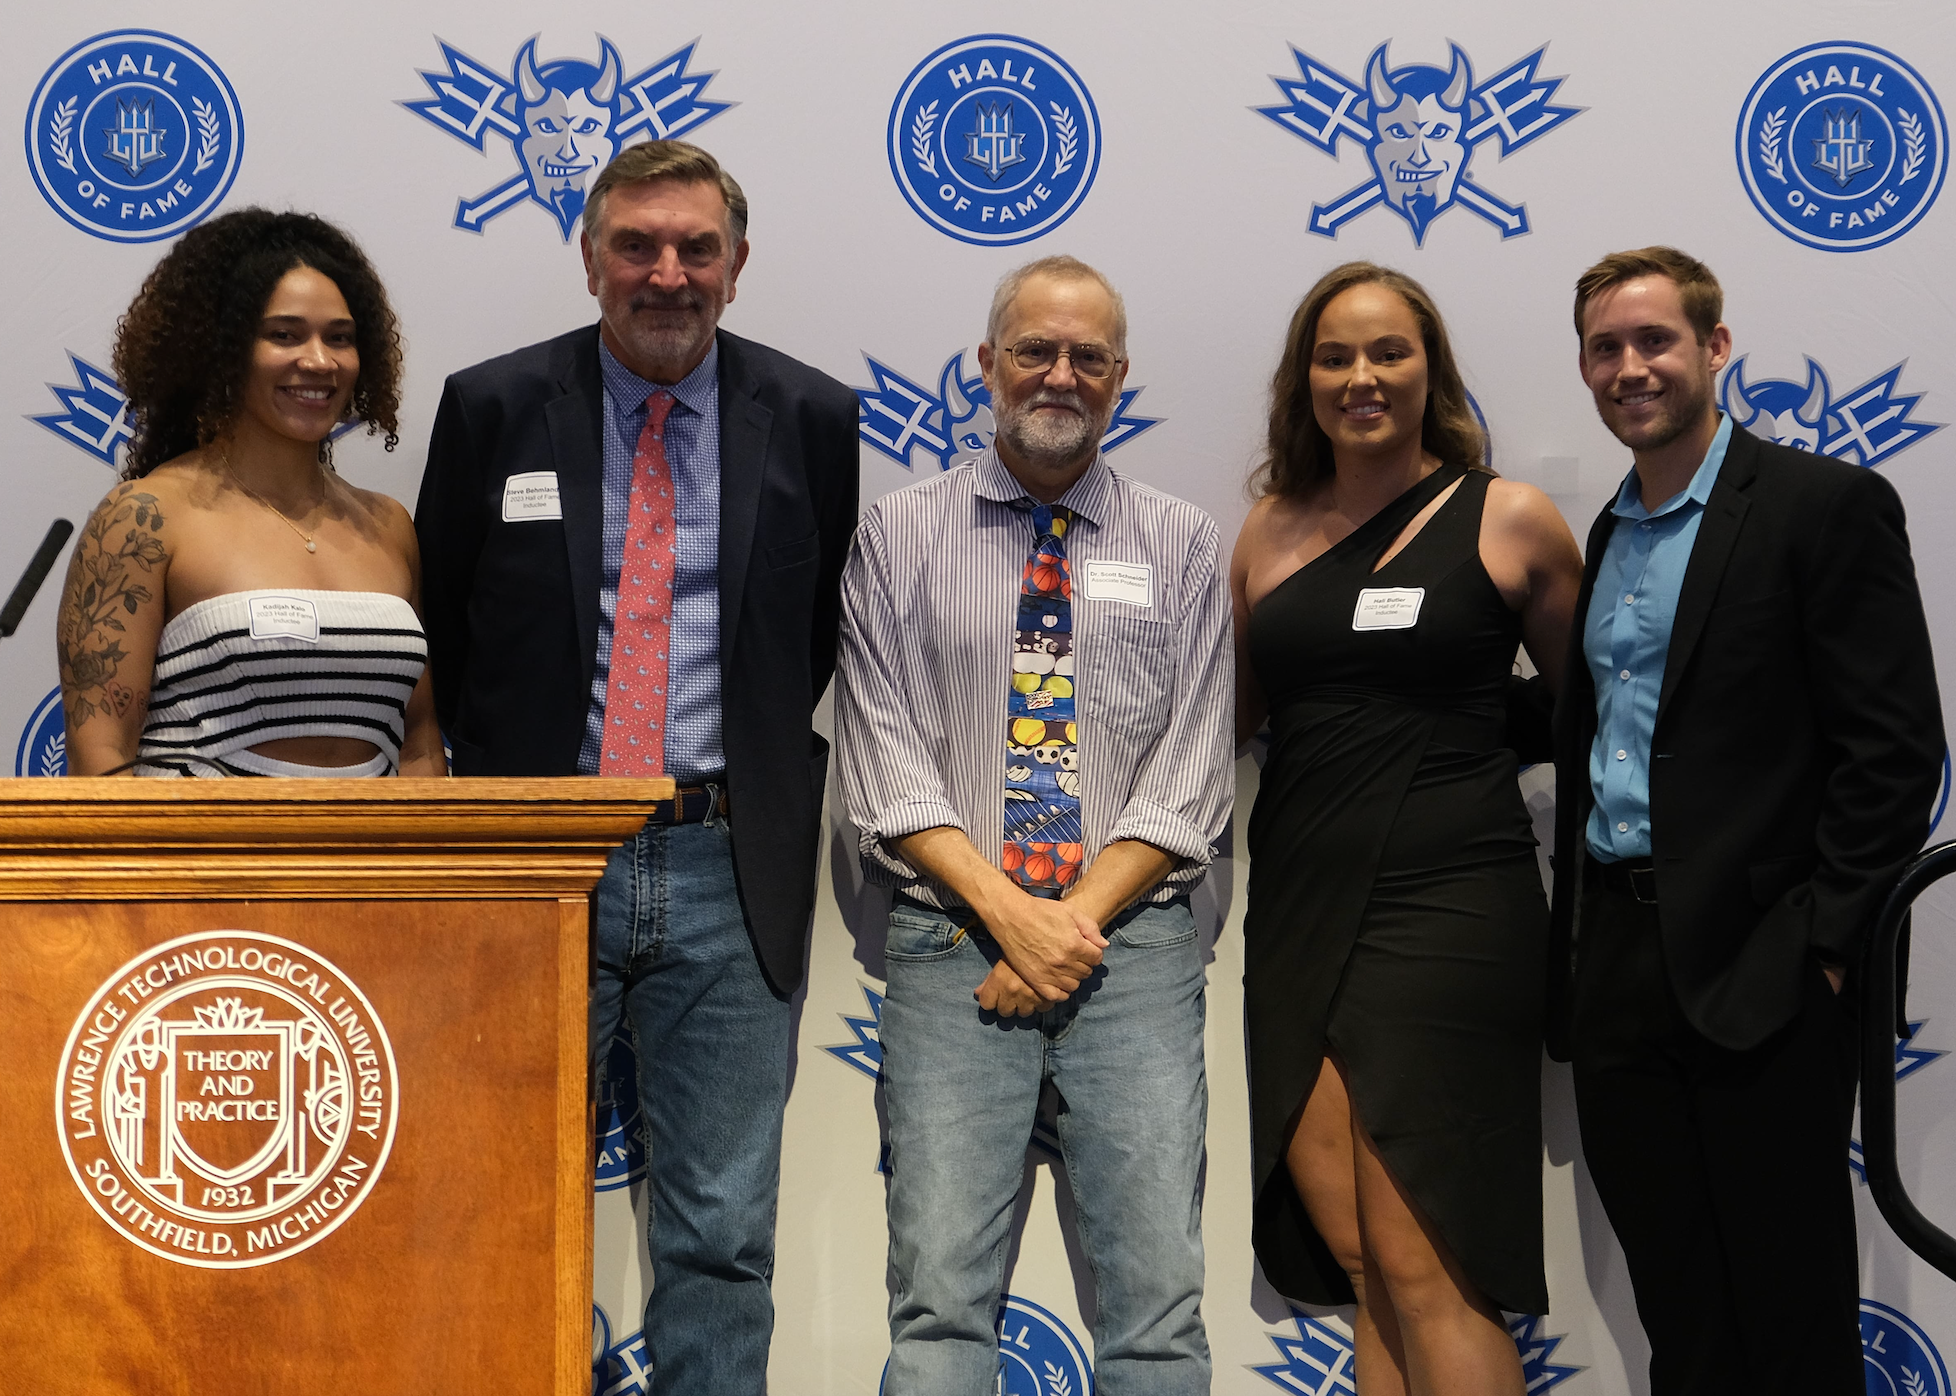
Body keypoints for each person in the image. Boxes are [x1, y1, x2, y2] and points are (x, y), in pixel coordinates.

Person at [413, 140, 858, 1393]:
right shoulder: (495, 406)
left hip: (730, 857)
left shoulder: (814, 416)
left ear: (738, 264)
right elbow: (443, 616)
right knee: (504, 1204)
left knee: (721, 1235)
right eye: (638, 246)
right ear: (592, 256)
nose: (668, 273)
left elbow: (809, 628)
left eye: (696, 248)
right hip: (540, 859)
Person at [1549, 246, 1943, 1394]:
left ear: (1716, 348)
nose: (1632, 367)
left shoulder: (1825, 506)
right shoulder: (1609, 532)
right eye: (1606, 348)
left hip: (1764, 975)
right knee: (1681, 1313)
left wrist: (1820, 949)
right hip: (1618, 968)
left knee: (1793, 1315)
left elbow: (1894, 749)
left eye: (1656, 340)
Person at [835, 255, 1232, 1393]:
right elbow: (883, 758)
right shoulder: (898, 534)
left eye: (1088, 357)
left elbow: (1194, 769)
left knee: (1156, 1310)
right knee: (941, 1314)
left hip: (1136, 954)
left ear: (1121, 378)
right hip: (952, 942)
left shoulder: (1183, 543)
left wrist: (1067, 926)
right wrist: (1014, 918)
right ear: (987, 364)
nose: (1060, 374)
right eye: (1034, 351)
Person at [1231, 262, 1583, 1395]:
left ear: (1432, 368)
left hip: (1453, 907)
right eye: (1335, 355)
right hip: (1297, 912)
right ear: (1305, 378)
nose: (1362, 376)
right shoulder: (1265, 534)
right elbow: (1230, 723)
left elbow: (1599, 710)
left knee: (1436, 1259)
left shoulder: (1511, 515)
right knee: (1361, 1255)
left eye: (1389, 351)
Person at [55, 209, 443, 779]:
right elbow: (102, 756)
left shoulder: (388, 524)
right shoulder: (144, 518)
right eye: (283, 335)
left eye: (340, 338)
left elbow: (419, 743)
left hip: (372, 864)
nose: (318, 360)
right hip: (205, 864)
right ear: (222, 349)